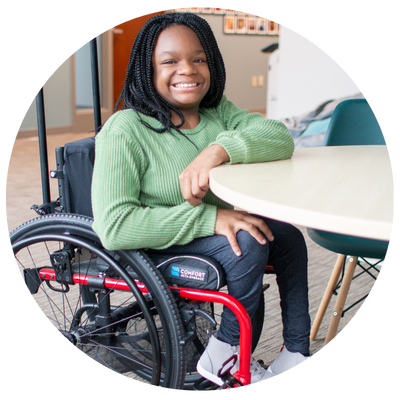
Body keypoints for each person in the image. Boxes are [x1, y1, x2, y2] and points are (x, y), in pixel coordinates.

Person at [91, 12, 311, 387]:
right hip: (153, 245)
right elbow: (114, 227)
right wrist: (210, 219)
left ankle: (296, 351)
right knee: (248, 241)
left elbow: (279, 137)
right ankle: (224, 348)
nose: (187, 70)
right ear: (148, 68)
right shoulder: (125, 129)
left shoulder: (217, 112)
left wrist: (217, 150)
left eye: (198, 59)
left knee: (287, 238)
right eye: (170, 61)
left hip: (206, 236)